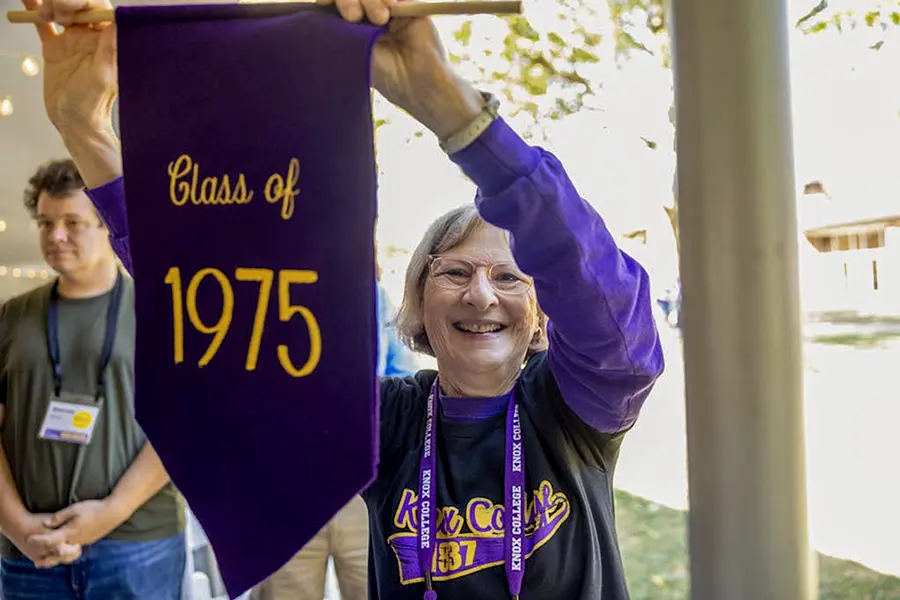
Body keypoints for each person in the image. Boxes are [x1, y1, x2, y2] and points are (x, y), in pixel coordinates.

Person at [25, 0, 665, 598]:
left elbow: (609, 306)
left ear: (541, 313)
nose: (480, 293)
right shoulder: (389, 422)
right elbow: (224, 314)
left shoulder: (573, 408)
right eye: (455, 272)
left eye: (510, 278)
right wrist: (86, 129)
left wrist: (449, 106)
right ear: (418, 297)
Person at [0, 159, 186, 599]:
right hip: (30, 553)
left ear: (107, 226)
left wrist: (110, 512)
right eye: (46, 222)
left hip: (139, 546)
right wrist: (18, 527)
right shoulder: (11, 318)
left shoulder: (162, 312)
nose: (55, 236)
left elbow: (185, 426)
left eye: (72, 222)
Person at [251, 282, 418, 600]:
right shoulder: (264, 289)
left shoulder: (372, 295)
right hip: (287, 494)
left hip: (362, 488)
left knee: (374, 589)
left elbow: (401, 379)